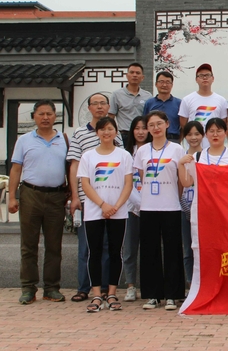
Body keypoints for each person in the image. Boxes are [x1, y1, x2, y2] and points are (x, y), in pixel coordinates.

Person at [8, 100, 69, 305]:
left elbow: (71, 168)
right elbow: (16, 169)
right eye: (41, 114)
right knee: (29, 245)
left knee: (54, 245)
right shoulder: (24, 140)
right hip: (30, 194)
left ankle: (52, 288)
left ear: (55, 116)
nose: (45, 118)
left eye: (49, 114)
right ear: (34, 116)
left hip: (56, 196)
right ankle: (28, 288)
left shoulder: (64, 140)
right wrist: (12, 196)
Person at [67, 93, 123, 303]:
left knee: (109, 247)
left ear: (108, 107)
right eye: (95, 104)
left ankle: (107, 289)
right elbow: (74, 165)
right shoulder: (80, 133)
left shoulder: (115, 133)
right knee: (87, 247)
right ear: (89, 107)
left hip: (113, 201)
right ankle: (84, 288)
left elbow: (121, 168)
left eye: (103, 103)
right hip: (87, 199)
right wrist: (75, 196)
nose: (99, 107)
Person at [78, 117, 134, 312]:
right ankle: (96, 295)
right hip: (94, 211)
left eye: (110, 129)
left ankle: (111, 293)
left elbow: (128, 184)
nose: (106, 132)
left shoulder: (124, 155)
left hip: (118, 212)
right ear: (97, 133)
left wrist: (116, 206)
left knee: (115, 252)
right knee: (94, 252)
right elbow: (85, 184)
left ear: (116, 132)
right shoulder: (88, 156)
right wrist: (103, 205)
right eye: (102, 129)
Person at [134, 110, 186, 311]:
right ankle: (152, 295)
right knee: (149, 251)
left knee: (173, 251)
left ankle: (173, 295)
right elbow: (142, 178)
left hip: (171, 206)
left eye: (159, 124)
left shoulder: (177, 149)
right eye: (151, 125)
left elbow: (180, 180)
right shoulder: (142, 151)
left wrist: (175, 197)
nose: (155, 128)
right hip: (148, 206)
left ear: (167, 124)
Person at [122, 115, 151, 302]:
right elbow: (125, 182)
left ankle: (149, 286)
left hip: (151, 206)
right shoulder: (125, 154)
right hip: (130, 207)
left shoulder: (153, 151)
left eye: (144, 128)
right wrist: (137, 201)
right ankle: (131, 286)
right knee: (130, 250)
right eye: (137, 128)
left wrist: (146, 202)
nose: (141, 132)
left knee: (149, 249)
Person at [177, 121, 204, 293]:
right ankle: (189, 284)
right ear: (184, 137)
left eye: (197, 134)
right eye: (189, 134)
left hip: (202, 208)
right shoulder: (181, 156)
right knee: (187, 249)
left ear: (203, 135)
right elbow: (180, 184)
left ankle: (203, 283)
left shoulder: (206, 156)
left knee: (203, 248)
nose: (193, 138)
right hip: (184, 207)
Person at [178, 63, 228, 148]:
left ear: (212, 78)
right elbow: (183, 124)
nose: (205, 78)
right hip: (194, 145)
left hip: (214, 145)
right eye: (201, 76)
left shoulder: (221, 100)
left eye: (207, 75)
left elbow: (223, 124)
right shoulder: (187, 99)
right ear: (196, 79)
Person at [108, 62, 152, 146]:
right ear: (127, 75)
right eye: (132, 72)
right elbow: (111, 117)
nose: (134, 75)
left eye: (137, 73)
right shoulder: (117, 95)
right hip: (124, 134)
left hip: (142, 135)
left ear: (142, 77)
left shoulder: (148, 96)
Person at [143, 71, 182, 143]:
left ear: (172, 85)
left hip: (173, 139)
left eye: (168, 82)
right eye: (161, 82)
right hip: (153, 139)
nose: (164, 85)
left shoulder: (179, 103)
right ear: (156, 84)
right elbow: (145, 122)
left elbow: (183, 125)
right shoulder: (149, 103)